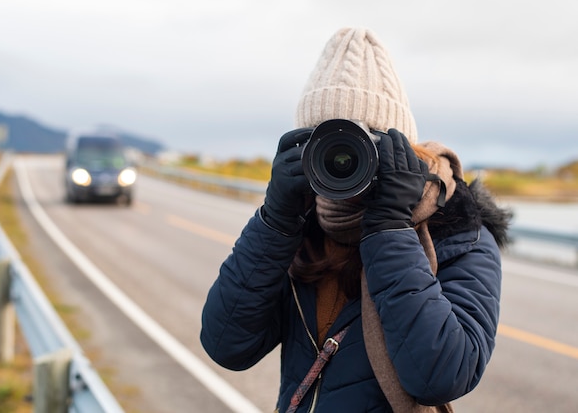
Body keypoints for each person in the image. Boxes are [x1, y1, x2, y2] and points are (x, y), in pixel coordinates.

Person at [200, 27, 511, 412]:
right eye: (325, 142)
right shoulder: (302, 225)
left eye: (367, 141)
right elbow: (227, 344)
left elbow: (444, 374)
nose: (343, 161)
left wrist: (390, 228)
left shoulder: (458, 231)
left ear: (402, 149)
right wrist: (275, 220)